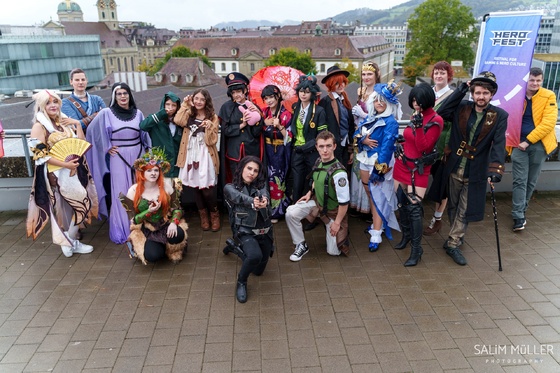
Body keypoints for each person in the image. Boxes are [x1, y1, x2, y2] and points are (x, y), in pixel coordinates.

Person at [437, 71, 508, 266]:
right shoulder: (461, 107)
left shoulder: (499, 115)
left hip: (476, 169)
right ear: (472, 93)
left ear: (491, 94)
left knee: (464, 209)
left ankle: (453, 243)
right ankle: (456, 236)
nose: (481, 97)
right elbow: (442, 112)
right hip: (454, 166)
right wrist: (460, 89)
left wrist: (495, 170)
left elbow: (499, 143)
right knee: (452, 205)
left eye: (485, 93)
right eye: (477, 92)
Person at [26, 90, 98, 257]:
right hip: (55, 174)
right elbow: (40, 154)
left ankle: (70, 240)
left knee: (81, 205)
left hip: (73, 171)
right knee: (64, 209)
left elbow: (82, 144)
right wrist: (64, 163)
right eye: (48, 103)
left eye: (55, 102)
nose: (53, 105)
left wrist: (78, 124)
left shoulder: (64, 123)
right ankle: (69, 242)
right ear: (42, 106)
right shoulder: (39, 126)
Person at [86, 82, 150, 245]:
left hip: (138, 157)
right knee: (121, 193)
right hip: (118, 158)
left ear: (130, 95)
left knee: (140, 191)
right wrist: (106, 147)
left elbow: (145, 136)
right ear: (114, 96)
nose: (122, 96)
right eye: (119, 93)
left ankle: (143, 228)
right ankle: (124, 229)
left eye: (125, 93)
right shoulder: (106, 113)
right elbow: (93, 131)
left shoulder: (139, 113)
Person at [393, 83, 443, 266]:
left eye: (419, 100)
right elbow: (409, 138)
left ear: (427, 100)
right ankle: (406, 237)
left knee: (414, 210)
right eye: (413, 99)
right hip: (402, 164)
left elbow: (424, 147)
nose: (415, 103)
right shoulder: (416, 115)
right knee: (401, 203)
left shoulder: (435, 120)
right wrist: (400, 144)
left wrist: (420, 126)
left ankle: (417, 249)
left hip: (418, 170)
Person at [285, 131, 350, 261]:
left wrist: (337, 223)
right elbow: (316, 179)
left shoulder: (339, 174)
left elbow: (344, 203)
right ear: (316, 147)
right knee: (291, 212)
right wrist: (310, 192)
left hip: (333, 213)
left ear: (334, 146)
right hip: (318, 205)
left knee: (334, 252)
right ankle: (301, 244)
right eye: (321, 146)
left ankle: (332, 227)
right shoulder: (319, 161)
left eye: (328, 146)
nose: (325, 150)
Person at [354, 81, 402, 251]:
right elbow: (356, 134)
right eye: (376, 100)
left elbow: (388, 148)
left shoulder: (391, 122)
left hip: (378, 163)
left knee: (378, 197)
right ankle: (378, 223)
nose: (379, 103)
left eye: (382, 101)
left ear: (388, 103)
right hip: (364, 160)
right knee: (370, 195)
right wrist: (362, 140)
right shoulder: (369, 118)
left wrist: (379, 171)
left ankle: (376, 232)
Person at [509, 67, 558, 231]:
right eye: (532, 80)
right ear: (526, 80)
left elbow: (548, 123)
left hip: (539, 145)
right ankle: (518, 216)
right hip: (517, 143)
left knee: (530, 181)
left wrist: (528, 141)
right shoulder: (517, 95)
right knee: (519, 180)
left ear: (542, 80)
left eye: (538, 80)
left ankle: (521, 209)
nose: (535, 83)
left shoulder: (549, 95)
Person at [122, 149, 188, 264]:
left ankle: (172, 248)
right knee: (154, 256)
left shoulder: (166, 186)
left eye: (156, 170)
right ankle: (153, 247)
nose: (153, 173)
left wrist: (173, 223)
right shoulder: (133, 191)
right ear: (142, 172)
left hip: (166, 224)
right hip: (148, 230)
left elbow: (178, 209)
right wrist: (148, 211)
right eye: (149, 171)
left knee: (178, 235)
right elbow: (134, 219)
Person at [223, 156, 273, 303]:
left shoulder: (261, 185)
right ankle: (241, 282)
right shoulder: (230, 188)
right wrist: (252, 202)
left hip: (265, 232)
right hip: (245, 231)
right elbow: (238, 197)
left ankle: (235, 249)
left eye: (256, 171)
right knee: (254, 257)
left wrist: (265, 201)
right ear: (242, 168)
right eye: (249, 168)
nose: (252, 173)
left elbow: (265, 194)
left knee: (258, 271)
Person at [175, 89, 221, 231]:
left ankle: (214, 215)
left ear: (206, 101)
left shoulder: (212, 117)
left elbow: (212, 140)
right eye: (196, 99)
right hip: (190, 154)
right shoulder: (189, 113)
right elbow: (178, 120)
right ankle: (203, 216)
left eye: (202, 99)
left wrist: (209, 127)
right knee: (196, 187)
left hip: (205, 155)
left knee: (207, 188)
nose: (198, 102)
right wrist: (185, 104)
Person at [424, 61, 455, 235]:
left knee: (440, 185)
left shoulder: (452, 96)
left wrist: (447, 147)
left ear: (448, 75)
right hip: (424, 145)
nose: (438, 76)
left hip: (441, 147)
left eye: (442, 73)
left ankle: (437, 219)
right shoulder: (429, 93)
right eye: (436, 72)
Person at [290, 74, 327, 202]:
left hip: (312, 152)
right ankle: (295, 210)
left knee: (311, 182)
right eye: (301, 91)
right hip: (297, 151)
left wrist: (306, 147)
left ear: (312, 93)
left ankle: (311, 214)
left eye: (307, 92)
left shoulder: (319, 111)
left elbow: (321, 136)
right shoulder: (295, 108)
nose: (303, 94)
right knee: (297, 182)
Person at [350, 61, 380, 217]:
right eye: (364, 74)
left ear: (376, 75)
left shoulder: (379, 93)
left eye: (369, 74)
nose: (366, 77)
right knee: (358, 172)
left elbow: (381, 117)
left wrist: (364, 115)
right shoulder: (360, 91)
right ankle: (359, 206)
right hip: (360, 136)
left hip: (373, 137)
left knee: (371, 174)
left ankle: (372, 212)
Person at [219, 72, 263, 178]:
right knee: (235, 179)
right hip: (234, 152)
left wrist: (258, 118)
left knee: (252, 179)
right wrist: (241, 125)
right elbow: (225, 131)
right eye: (233, 92)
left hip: (251, 150)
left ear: (245, 90)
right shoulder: (226, 107)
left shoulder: (254, 106)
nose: (236, 95)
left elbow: (257, 133)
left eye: (239, 91)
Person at [260, 85, 292, 223]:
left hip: (280, 150)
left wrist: (279, 126)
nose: (269, 101)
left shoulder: (286, 114)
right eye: (266, 98)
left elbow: (290, 136)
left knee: (278, 179)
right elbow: (256, 129)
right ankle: (265, 208)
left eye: (271, 97)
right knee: (265, 177)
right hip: (266, 148)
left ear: (277, 97)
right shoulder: (263, 113)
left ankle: (278, 211)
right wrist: (263, 122)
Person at [139, 91, 182, 179]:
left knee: (176, 191)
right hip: (161, 167)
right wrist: (161, 114)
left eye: (174, 105)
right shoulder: (156, 120)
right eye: (168, 104)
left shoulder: (180, 123)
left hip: (177, 167)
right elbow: (143, 126)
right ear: (163, 105)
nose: (170, 108)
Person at [319, 66, 355, 166]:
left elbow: (350, 125)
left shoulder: (345, 100)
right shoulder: (325, 102)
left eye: (343, 82)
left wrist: (351, 150)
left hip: (346, 146)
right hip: (333, 147)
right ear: (330, 84)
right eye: (337, 83)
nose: (341, 85)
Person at [61, 68, 106, 133]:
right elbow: (76, 126)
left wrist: (80, 122)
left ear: (86, 81)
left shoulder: (97, 99)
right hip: (82, 141)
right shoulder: (65, 103)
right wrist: (96, 115)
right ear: (71, 82)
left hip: (99, 138)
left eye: (83, 79)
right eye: (77, 80)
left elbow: (105, 118)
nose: (80, 82)